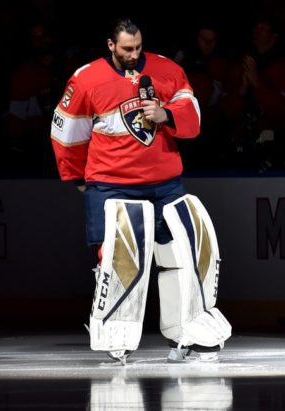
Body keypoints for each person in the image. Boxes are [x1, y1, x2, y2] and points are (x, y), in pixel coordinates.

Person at [50, 18, 231, 364]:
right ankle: (114, 328)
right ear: (110, 45)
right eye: (127, 49)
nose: (134, 55)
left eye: (138, 47)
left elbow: (192, 114)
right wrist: (77, 178)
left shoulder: (166, 69)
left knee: (184, 250)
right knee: (119, 256)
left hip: (165, 183)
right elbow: (66, 132)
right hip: (112, 183)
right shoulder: (86, 78)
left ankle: (187, 326)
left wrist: (165, 113)